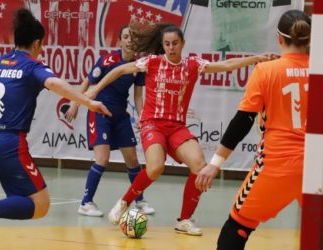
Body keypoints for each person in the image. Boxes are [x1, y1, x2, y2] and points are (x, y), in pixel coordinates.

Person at [0, 8, 111, 250]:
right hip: (6, 142)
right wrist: (89, 102)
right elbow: (53, 83)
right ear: (36, 43)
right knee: (40, 204)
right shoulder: (32, 66)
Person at [85, 23, 273, 235]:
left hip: (176, 127)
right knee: (155, 167)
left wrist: (256, 59)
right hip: (153, 124)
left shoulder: (193, 65)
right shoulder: (152, 62)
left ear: (183, 43)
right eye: (166, 44)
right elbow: (119, 70)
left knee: (199, 166)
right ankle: (125, 201)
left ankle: (184, 220)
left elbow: (227, 65)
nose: (171, 48)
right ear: (162, 45)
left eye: (175, 43)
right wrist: (95, 90)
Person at [195, 10, 310, 249]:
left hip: (276, 165)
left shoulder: (267, 70)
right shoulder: (318, 71)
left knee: (237, 227)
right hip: (315, 167)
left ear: (279, 39)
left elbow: (243, 120)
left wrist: (215, 163)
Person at [65, 25, 155, 217]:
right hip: (99, 112)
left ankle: (139, 200)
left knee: (132, 160)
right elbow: (88, 82)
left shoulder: (138, 66)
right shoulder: (108, 60)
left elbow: (138, 96)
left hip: (120, 116)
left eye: (133, 37)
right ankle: (86, 203)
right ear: (120, 42)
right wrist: (75, 103)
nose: (129, 40)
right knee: (103, 158)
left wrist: (142, 117)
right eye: (125, 37)